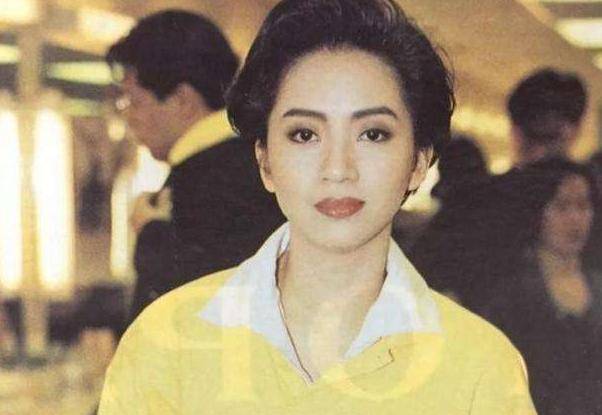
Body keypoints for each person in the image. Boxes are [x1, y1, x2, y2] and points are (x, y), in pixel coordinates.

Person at [99, 1, 535, 413]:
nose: (338, 168)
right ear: (265, 162)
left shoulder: (480, 367)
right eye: (304, 135)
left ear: (418, 163)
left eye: (373, 134)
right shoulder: (163, 343)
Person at [106, 10, 285, 321]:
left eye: (134, 102)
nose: (129, 117)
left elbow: (207, 296)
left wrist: (150, 234)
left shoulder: (212, 177)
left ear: (182, 101)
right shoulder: (253, 160)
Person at [410, 69, 588, 310]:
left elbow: (420, 278)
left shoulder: (472, 201)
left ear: (515, 132)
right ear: (575, 131)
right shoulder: (592, 205)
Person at [482, 158, 602, 415]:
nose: (575, 218)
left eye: (583, 205)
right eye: (562, 206)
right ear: (536, 211)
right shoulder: (509, 294)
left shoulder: (598, 285)